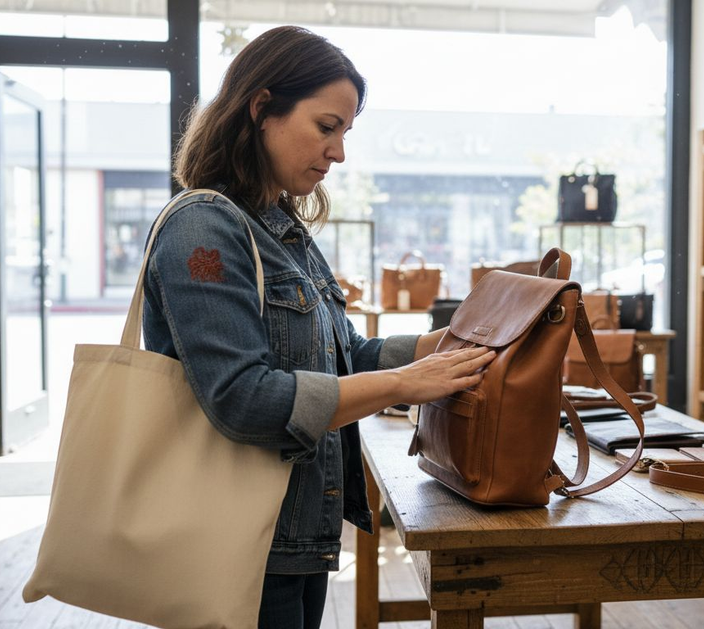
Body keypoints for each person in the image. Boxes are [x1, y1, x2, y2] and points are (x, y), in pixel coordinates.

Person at [141, 25, 495, 629]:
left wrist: (443, 349)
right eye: (327, 127)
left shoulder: (282, 229)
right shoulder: (202, 229)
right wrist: (408, 383)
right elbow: (242, 400)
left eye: (345, 133)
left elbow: (343, 356)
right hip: (240, 543)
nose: (339, 152)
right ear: (261, 109)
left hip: (295, 534)